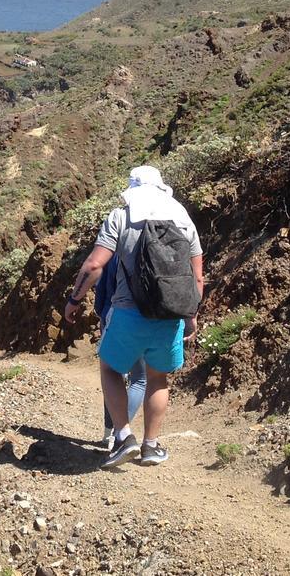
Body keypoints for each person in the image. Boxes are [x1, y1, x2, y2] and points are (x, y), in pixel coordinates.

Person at [64, 165, 203, 469]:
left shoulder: (121, 216)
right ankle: (151, 447)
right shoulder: (183, 219)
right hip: (170, 315)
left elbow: (94, 266)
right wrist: (190, 316)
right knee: (158, 378)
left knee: (110, 369)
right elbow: (197, 277)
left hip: (128, 313)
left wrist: (74, 299)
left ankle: (124, 436)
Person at [93, 252, 147, 451]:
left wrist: (101, 314)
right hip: (151, 320)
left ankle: (113, 434)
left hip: (115, 318)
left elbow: (102, 287)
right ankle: (118, 434)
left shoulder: (116, 248)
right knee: (139, 379)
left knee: (113, 377)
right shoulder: (157, 243)